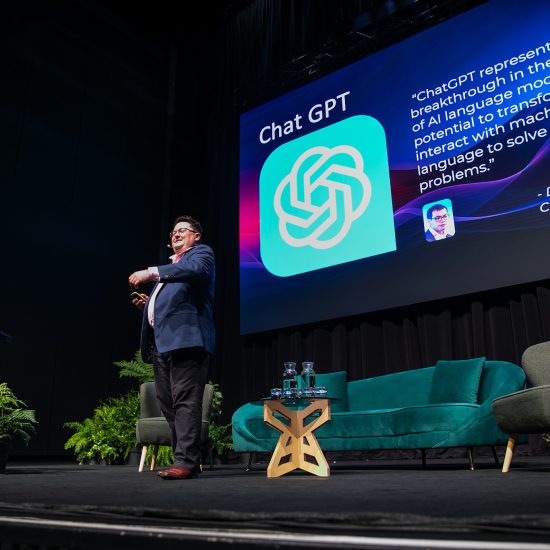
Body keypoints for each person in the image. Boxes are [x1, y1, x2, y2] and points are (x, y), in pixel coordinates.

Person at [129, 215, 215, 480]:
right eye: (173, 232)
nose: (176, 235)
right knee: (167, 403)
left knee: (185, 401)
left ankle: (186, 462)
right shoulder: (172, 269)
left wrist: (151, 271)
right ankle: (187, 458)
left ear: (196, 236)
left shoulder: (200, 255)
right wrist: (149, 309)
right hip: (163, 344)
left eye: (182, 231)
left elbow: (195, 272)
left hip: (188, 340)